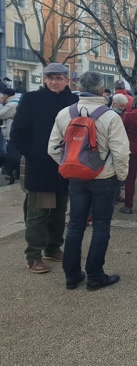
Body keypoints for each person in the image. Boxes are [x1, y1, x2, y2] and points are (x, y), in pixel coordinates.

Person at [48, 71, 129, 290]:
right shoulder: (111, 116)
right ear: (102, 90)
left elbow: (52, 148)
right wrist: (120, 176)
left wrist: (69, 166)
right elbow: (121, 153)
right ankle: (95, 276)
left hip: (76, 177)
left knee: (75, 226)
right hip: (104, 177)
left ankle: (72, 276)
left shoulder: (66, 113)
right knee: (101, 227)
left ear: (79, 86)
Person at [10, 63, 79, 274]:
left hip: (66, 165)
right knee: (38, 213)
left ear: (67, 80)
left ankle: (53, 247)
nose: (53, 82)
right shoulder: (32, 99)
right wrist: (32, 153)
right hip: (40, 166)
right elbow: (18, 132)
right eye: (49, 78)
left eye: (58, 78)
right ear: (44, 79)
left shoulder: (74, 102)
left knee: (59, 211)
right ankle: (33, 255)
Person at [0, 87, 21, 183]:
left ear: (6, 95)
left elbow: (0, 114)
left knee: (14, 154)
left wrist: (0, 103)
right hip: (15, 132)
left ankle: (17, 173)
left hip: (11, 132)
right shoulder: (16, 102)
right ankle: (17, 172)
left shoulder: (11, 105)